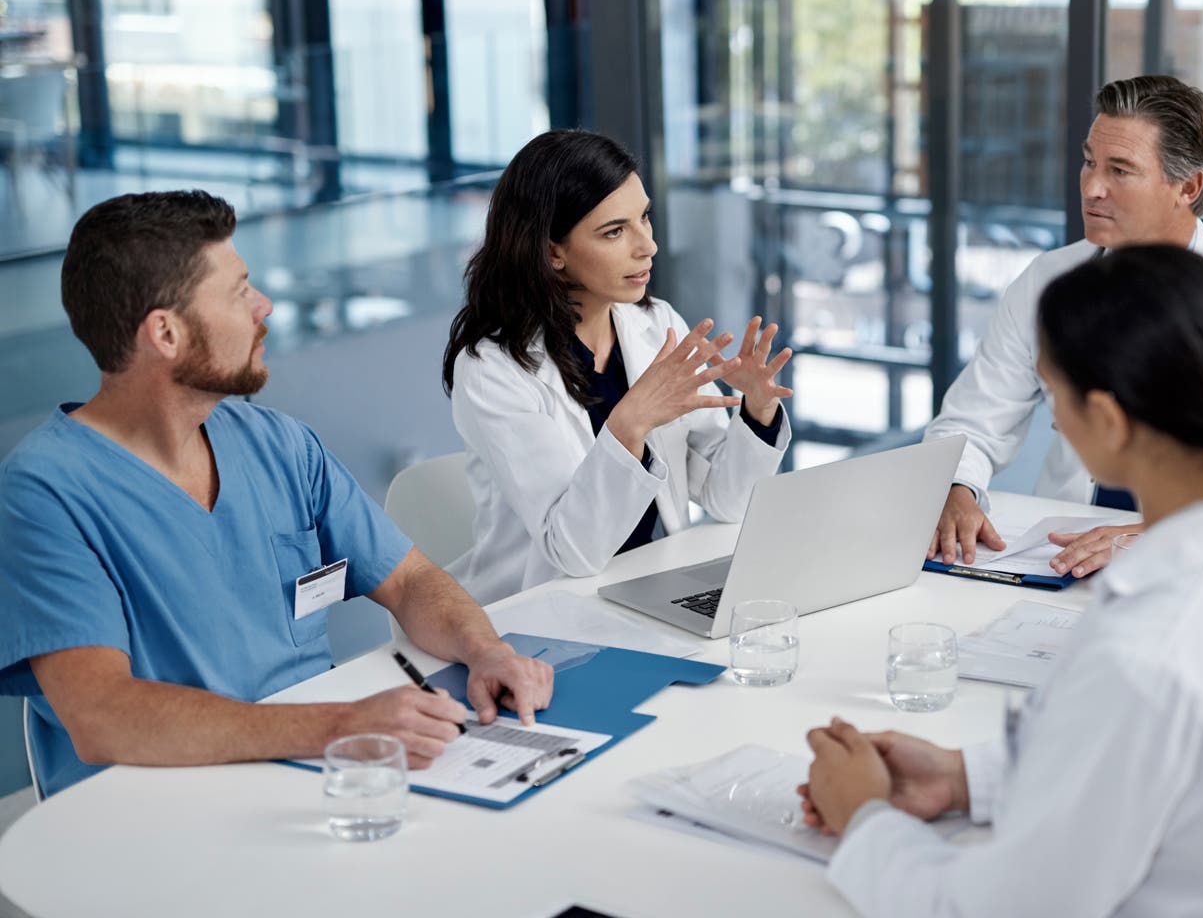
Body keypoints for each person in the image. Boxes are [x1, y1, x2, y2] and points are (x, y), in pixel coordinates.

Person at [800, 249, 1203, 916]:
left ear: (1109, 421)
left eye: (1057, 393)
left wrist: (863, 817)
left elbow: (996, 909)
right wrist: (966, 777)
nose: (1053, 418)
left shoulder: (1149, 652)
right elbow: (1166, 773)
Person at [0, 191, 554, 799]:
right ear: (166, 332)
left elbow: (409, 581)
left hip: (314, 777)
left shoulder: (278, 445)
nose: (263, 305)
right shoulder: (44, 494)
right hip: (158, 806)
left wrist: (486, 651)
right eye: (239, 291)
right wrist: (341, 726)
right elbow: (103, 715)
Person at [925, 75, 1203, 577]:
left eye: (1120, 170)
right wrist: (955, 489)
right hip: (1057, 557)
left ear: (1188, 187)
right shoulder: (1048, 280)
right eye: (1089, 162)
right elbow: (972, 421)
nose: (1091, 188)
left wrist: (1156, 536)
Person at [443, 130, 792, 603]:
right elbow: (572, 551)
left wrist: (757, 409)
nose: (647, 245)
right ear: (552, 251)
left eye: (643, 217)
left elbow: (725, 499)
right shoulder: (493, 370)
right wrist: (631, 422)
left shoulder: (656, 323)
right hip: (545, 605)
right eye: (614, 231)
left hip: (652, 583)